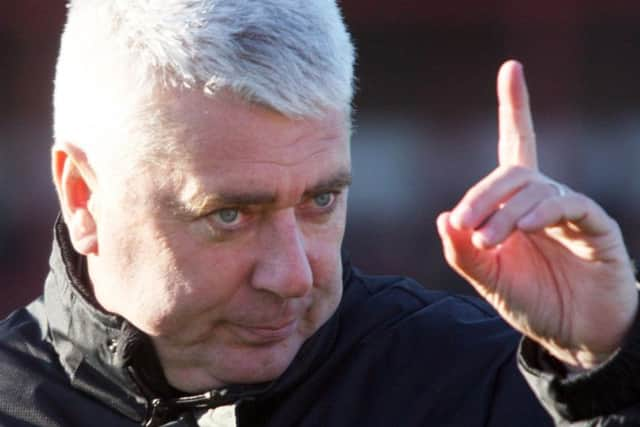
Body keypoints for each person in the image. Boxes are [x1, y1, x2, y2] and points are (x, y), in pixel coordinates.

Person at [1, 1, 639, 426]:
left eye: (320, 201)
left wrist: (610, 370)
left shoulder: (496, 381)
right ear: (84, 197)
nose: (293, 276)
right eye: (228, 214)